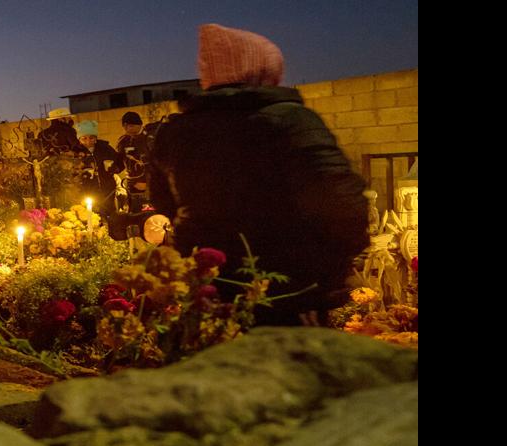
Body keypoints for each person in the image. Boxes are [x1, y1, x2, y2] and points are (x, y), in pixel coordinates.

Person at [148, 23, 367, 326]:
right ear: (265, 70)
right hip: (289, 293)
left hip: (207, 288)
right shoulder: (291, 122)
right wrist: (329, 273)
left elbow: (165, 206)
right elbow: (343, 206)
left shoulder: (174, 131)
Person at [115, 111, 153, 212]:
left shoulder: (149, 139)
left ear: (139, 124)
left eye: (131, 126)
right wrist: (112, 168)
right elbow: (120, 162)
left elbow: (158, 163)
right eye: (125, 126)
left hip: (151, 187)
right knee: (135, 216)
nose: (128, 129)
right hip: (132, 187)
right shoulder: (123, 141)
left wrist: (148, 184)